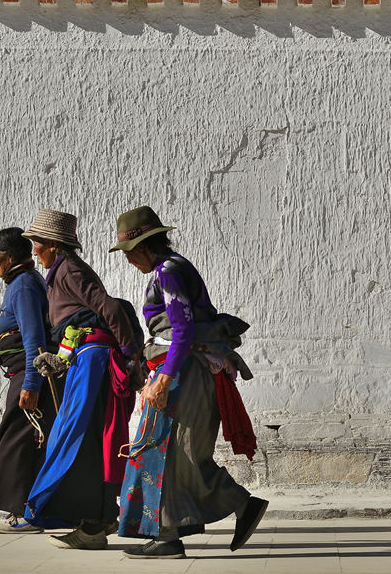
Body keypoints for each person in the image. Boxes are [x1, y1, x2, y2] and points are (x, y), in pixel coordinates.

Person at [111, 205, 267, 560]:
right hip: (181, 368)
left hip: (184, 372)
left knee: (177, 453)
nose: (128, 260)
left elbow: (183, 329)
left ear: (143, 246)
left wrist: (163, 380)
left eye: (129, 252)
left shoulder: (168, 272)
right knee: (166, 451)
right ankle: (169, 532)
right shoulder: (169, 269)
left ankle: (238, 506)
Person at [20, 208, 141, 550]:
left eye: (38, 244)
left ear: (55, 246)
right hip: (81, 360)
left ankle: (90, 519)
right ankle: (95, 521)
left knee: (77, 436)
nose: (34, 251)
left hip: (92, 360)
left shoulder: (70, 270)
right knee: (85, 438)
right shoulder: (61, 272)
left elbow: (110, 310)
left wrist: (133, 356)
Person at [0, 227, 53, 533]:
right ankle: (24, 511)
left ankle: (25, 514)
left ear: (8, 257)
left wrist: (31, 384)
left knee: (18, 444)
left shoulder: (23, 285)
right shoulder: (21, 282)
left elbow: (34, 338)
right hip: (22, 374)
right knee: (19, 442)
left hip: (27, 375)